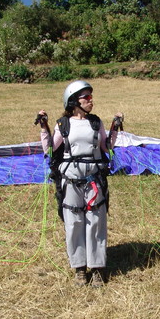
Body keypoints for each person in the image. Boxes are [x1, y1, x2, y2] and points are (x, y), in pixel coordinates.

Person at [37, 81, 123, 287]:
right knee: (74, 221)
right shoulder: (63, 124)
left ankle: (97, 268)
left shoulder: (96, 122)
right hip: (70, 179)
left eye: (91, 97)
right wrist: (43, 126)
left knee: (95, 220)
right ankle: (79, 268)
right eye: (86, 97)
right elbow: (49, 149)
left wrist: (115, 128)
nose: (91, 101)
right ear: (74, 101)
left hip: (94, 178)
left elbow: (106, 146)